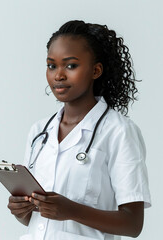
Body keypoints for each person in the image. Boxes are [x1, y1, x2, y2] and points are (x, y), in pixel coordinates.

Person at [8, 20, 151, 240]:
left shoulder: (118, 131)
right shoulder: (39, 132)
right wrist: (22, 211)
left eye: (71, 65)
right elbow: (39, 220)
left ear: (96, 70)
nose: (58, 76)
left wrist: (72, 210)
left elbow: (132, 224)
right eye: (52, 65)